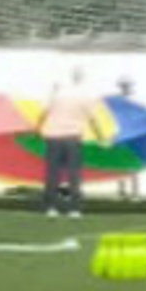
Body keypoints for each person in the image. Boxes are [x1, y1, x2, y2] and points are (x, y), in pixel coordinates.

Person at [36, 70, 93, 217]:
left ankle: (50, 207)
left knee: (52, 173)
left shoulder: (57, 95)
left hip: (53, 136)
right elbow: (92, 119)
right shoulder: (85, 96)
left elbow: (44, 113)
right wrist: (101, 136)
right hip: (72, 137)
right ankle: (75, 209)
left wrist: (37, 129)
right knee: (74, 174)